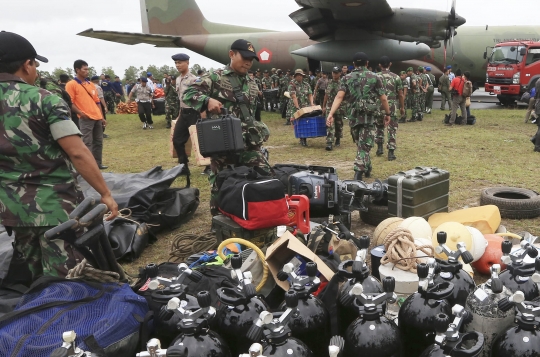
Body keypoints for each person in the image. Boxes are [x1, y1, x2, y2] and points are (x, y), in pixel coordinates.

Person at [0, 31, 118, 284]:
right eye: (35, 64)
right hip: (55, 207)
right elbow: (77, 151)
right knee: (69, 279)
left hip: (12, 209)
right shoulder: (43, 100)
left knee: (37, 277)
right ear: (26, 64)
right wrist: (105, 194)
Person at [183, 39, 271, 215]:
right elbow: (188, 94)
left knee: (264, 176)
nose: (248, 62)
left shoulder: (252, 82)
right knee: (222, 184)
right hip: (224, 144)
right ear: (232, 54)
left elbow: (252, 114)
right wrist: (207, 100)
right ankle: (219, 222)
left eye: (251, 59)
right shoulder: (215, 77)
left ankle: (258, 215)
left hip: (248, 144)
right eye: (244, 57)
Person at [327, 52, 390, 181]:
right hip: (369, 117)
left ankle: (358, 174)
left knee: (362, 145)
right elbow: (383, 98)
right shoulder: (375, 77)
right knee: (362, 145)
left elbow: (339, 96)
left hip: (354, 117)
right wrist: (388, 113)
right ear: (367, 63)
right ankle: (367, 166)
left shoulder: (346, 78)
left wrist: (330, 113)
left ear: (354, 64)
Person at [66, 60, 108, 169]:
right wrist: (80, 113)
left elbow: (97, 101)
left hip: (97, 117)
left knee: (98, 142)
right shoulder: (71, 85)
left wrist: (102, 117)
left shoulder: (91, 85)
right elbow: (70, 102)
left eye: (87, 69)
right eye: (84, 69)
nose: (87, 71)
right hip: (85, 118)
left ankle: (97, 163)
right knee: (87, 143)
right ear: (77, 70)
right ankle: (88, 166)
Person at [171, 53, 199, 177]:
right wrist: (179, 114)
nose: (177, 65)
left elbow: (200, 97)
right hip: (183, 113)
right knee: (177, 140)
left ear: (187, 62)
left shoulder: (194, 79)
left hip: (195, 112)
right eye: (176, 63)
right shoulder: (178, 79)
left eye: (180, 62)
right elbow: (180, 99)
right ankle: (183, 166)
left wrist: (203, 115)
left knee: (200, 141)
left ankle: (209, 165)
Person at [375, 56, 404, 161]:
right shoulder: (396, 77)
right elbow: (400, 94)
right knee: (392, 129)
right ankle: (391, 152)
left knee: (379, 127)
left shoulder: (375, 76)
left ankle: (379, 148)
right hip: (391, 107)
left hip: (378, 106)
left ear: (380, 65)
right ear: (390, 64)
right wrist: (402, 107)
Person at [288, 69, 314, 146]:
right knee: (298, 122)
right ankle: (302, 139)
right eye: (298, 75)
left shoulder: (306, 84)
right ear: (295, 76)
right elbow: (294, 97)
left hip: (305, 106)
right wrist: (297, 107)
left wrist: (312, 103)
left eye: (301, 75)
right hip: (295, 106)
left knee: (305, 122)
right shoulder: (292, 85)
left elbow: (310, 94)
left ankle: (304, 138)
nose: (299, 77)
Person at [323, 67, 345, 151]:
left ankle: (338, 138)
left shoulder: (342, 83)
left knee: (339, 124)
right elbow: (326, 95)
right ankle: (329, 142)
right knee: (329, 124)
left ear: (340, 73)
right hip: (329, 106)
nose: (334, 74)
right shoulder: (329, 82)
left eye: (336, 73)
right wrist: (324, 106)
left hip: (339, 107)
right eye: (333, 73)